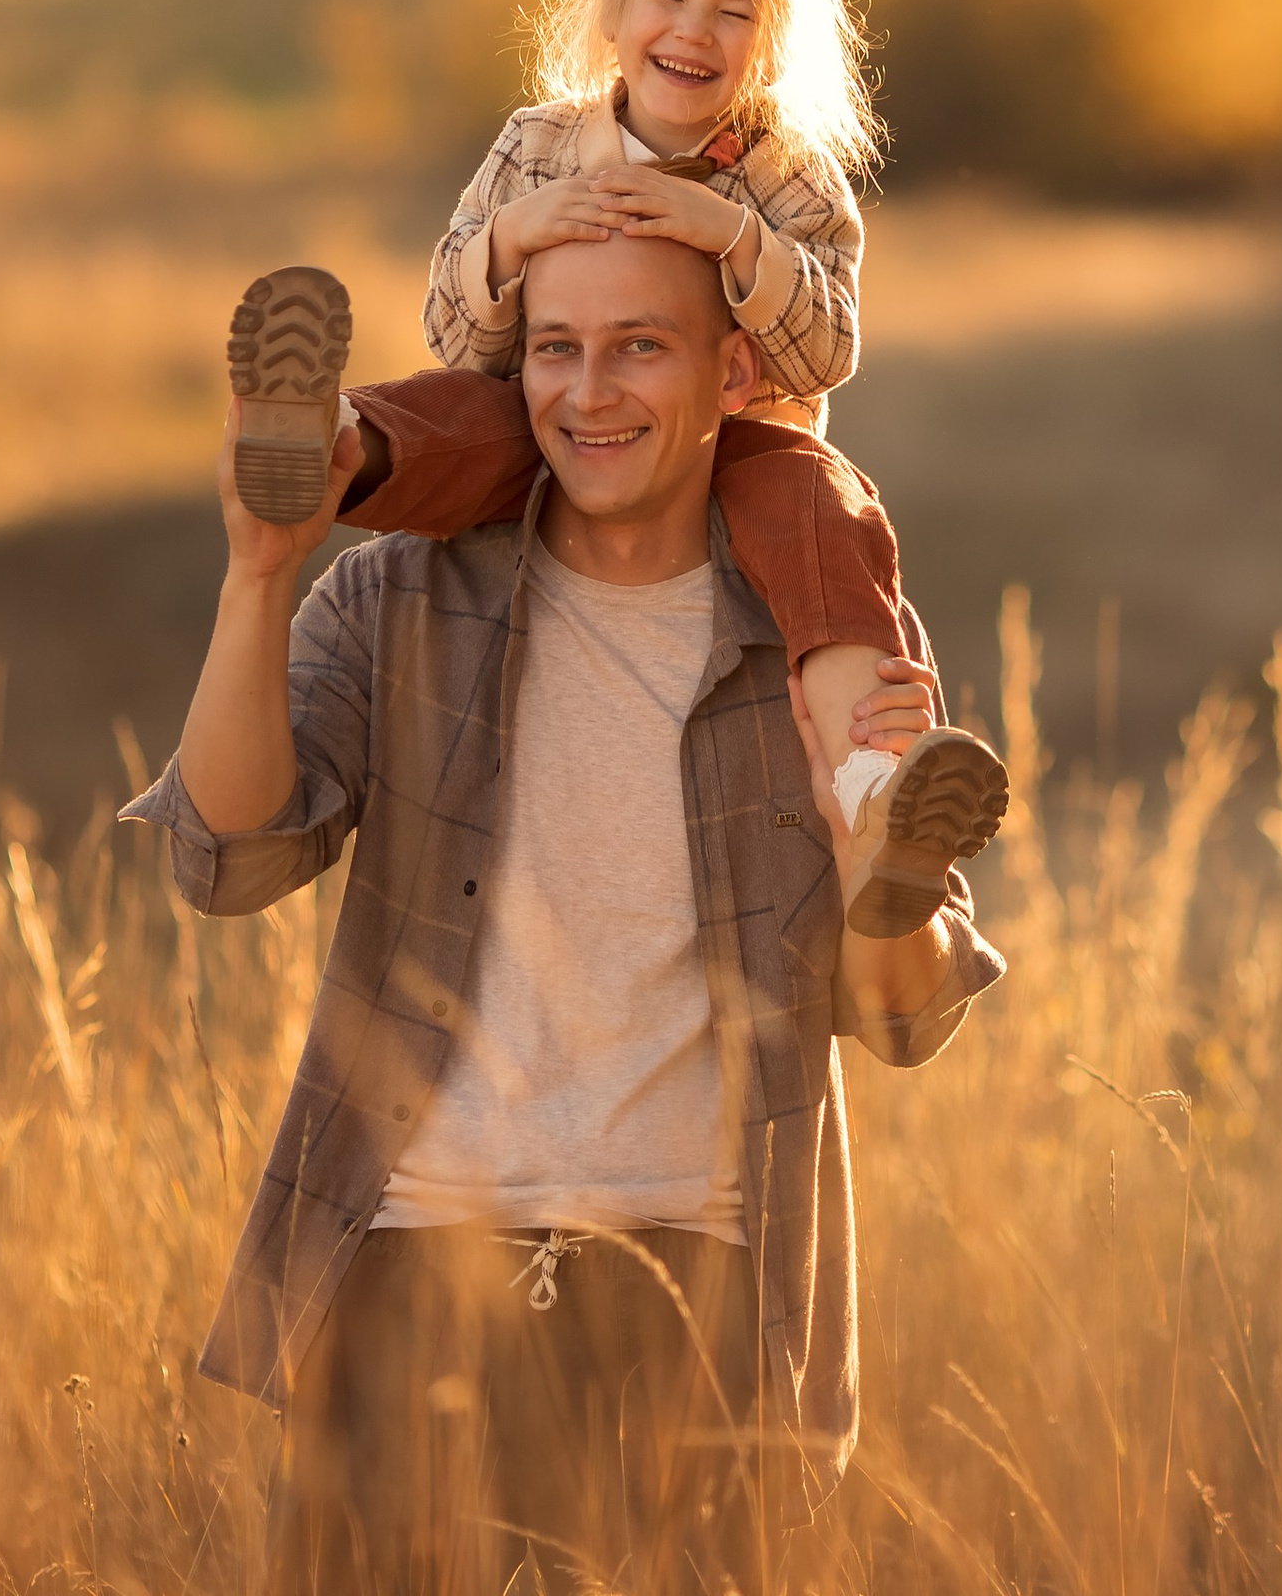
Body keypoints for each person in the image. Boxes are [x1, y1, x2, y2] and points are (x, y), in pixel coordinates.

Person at [127, 233, 1008, 1592]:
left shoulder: (827, 643)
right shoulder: (395, 594)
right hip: (409, 1260)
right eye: (556, 349)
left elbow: (903, 1019)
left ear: (735, 371)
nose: (589, 393)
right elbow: (225, 859)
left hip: (696, 1284)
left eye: (638, 347)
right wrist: (257, 574)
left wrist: (856, 855)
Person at [261, 0, 1004, 935]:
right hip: (545, 419)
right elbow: (456, 331)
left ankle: (875, 796)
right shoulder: (538, 145)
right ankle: (317, 448)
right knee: (457, 412)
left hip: (735, 449)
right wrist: (517, 236)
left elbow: (827, 348)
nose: (693, 30)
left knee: (827, 510)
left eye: (736, 12)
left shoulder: (789, 182)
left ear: (775, 46)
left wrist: (730, 238)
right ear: (614, 12)